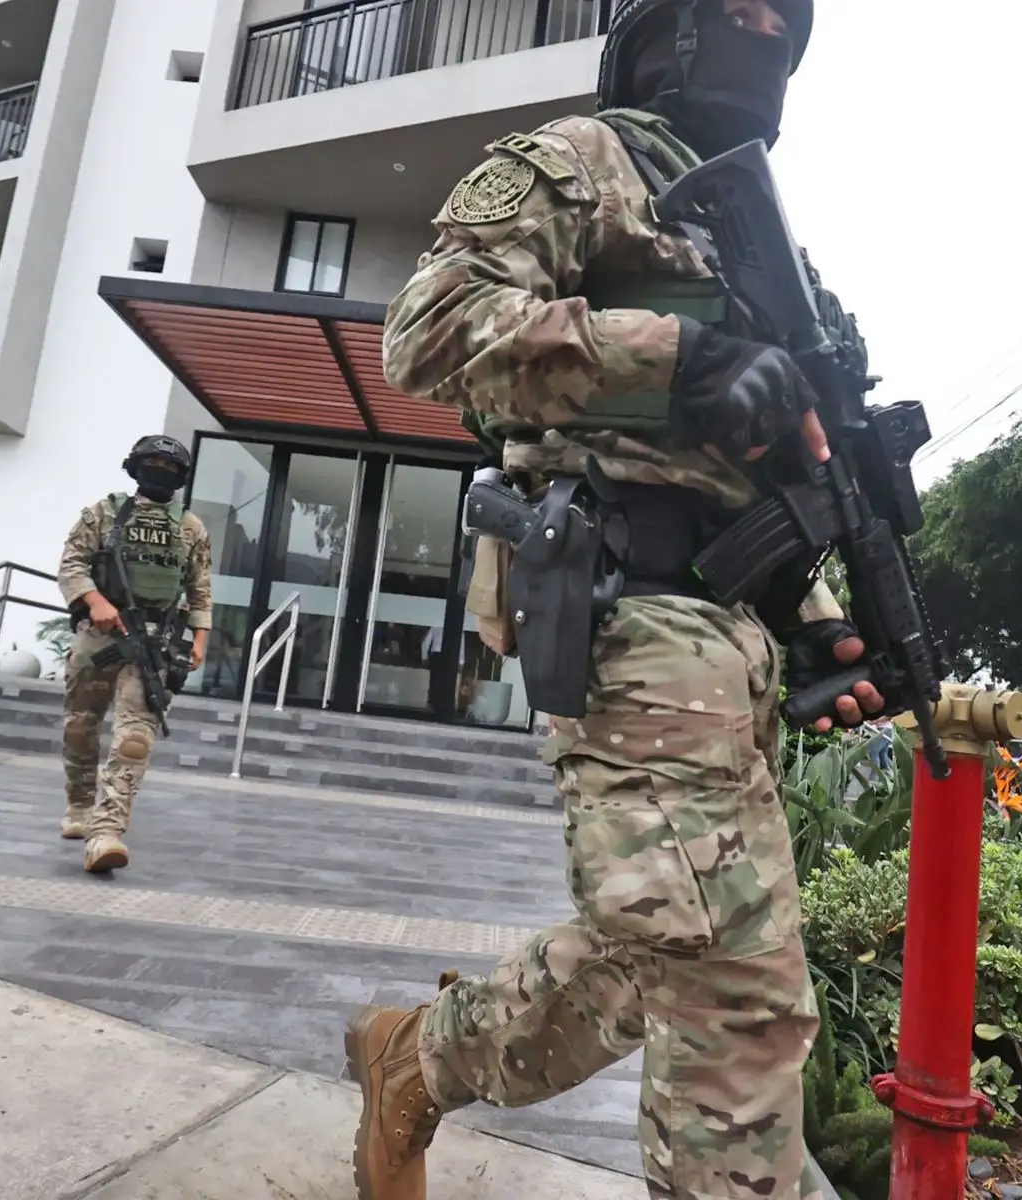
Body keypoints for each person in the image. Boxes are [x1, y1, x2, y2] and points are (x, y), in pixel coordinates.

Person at [349, 2, 892, 1197]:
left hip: (731, 634)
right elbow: (427, 332)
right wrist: (678, 363)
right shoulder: (582, 158)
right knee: (735, 988)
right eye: (741, 10)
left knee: (657, 947)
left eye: (782, 20)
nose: (765, 34)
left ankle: (415, 1061)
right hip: (624, 609)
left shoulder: (768, 250)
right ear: (668, 33)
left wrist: (817, 623)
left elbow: (767, 479)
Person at [56, 435, 211, 873]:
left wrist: (200, 637)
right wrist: (94, 601)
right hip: (99, 636)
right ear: (135, 467)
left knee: (135, 739)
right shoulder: (103, 513)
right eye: (153, 461)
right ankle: (80, 805)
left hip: (154, 641)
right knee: (80, 726)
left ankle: (106, 832)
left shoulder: (191, 527)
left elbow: (199, 587)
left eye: (170, 465)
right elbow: (71, 564)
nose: (160, 470)